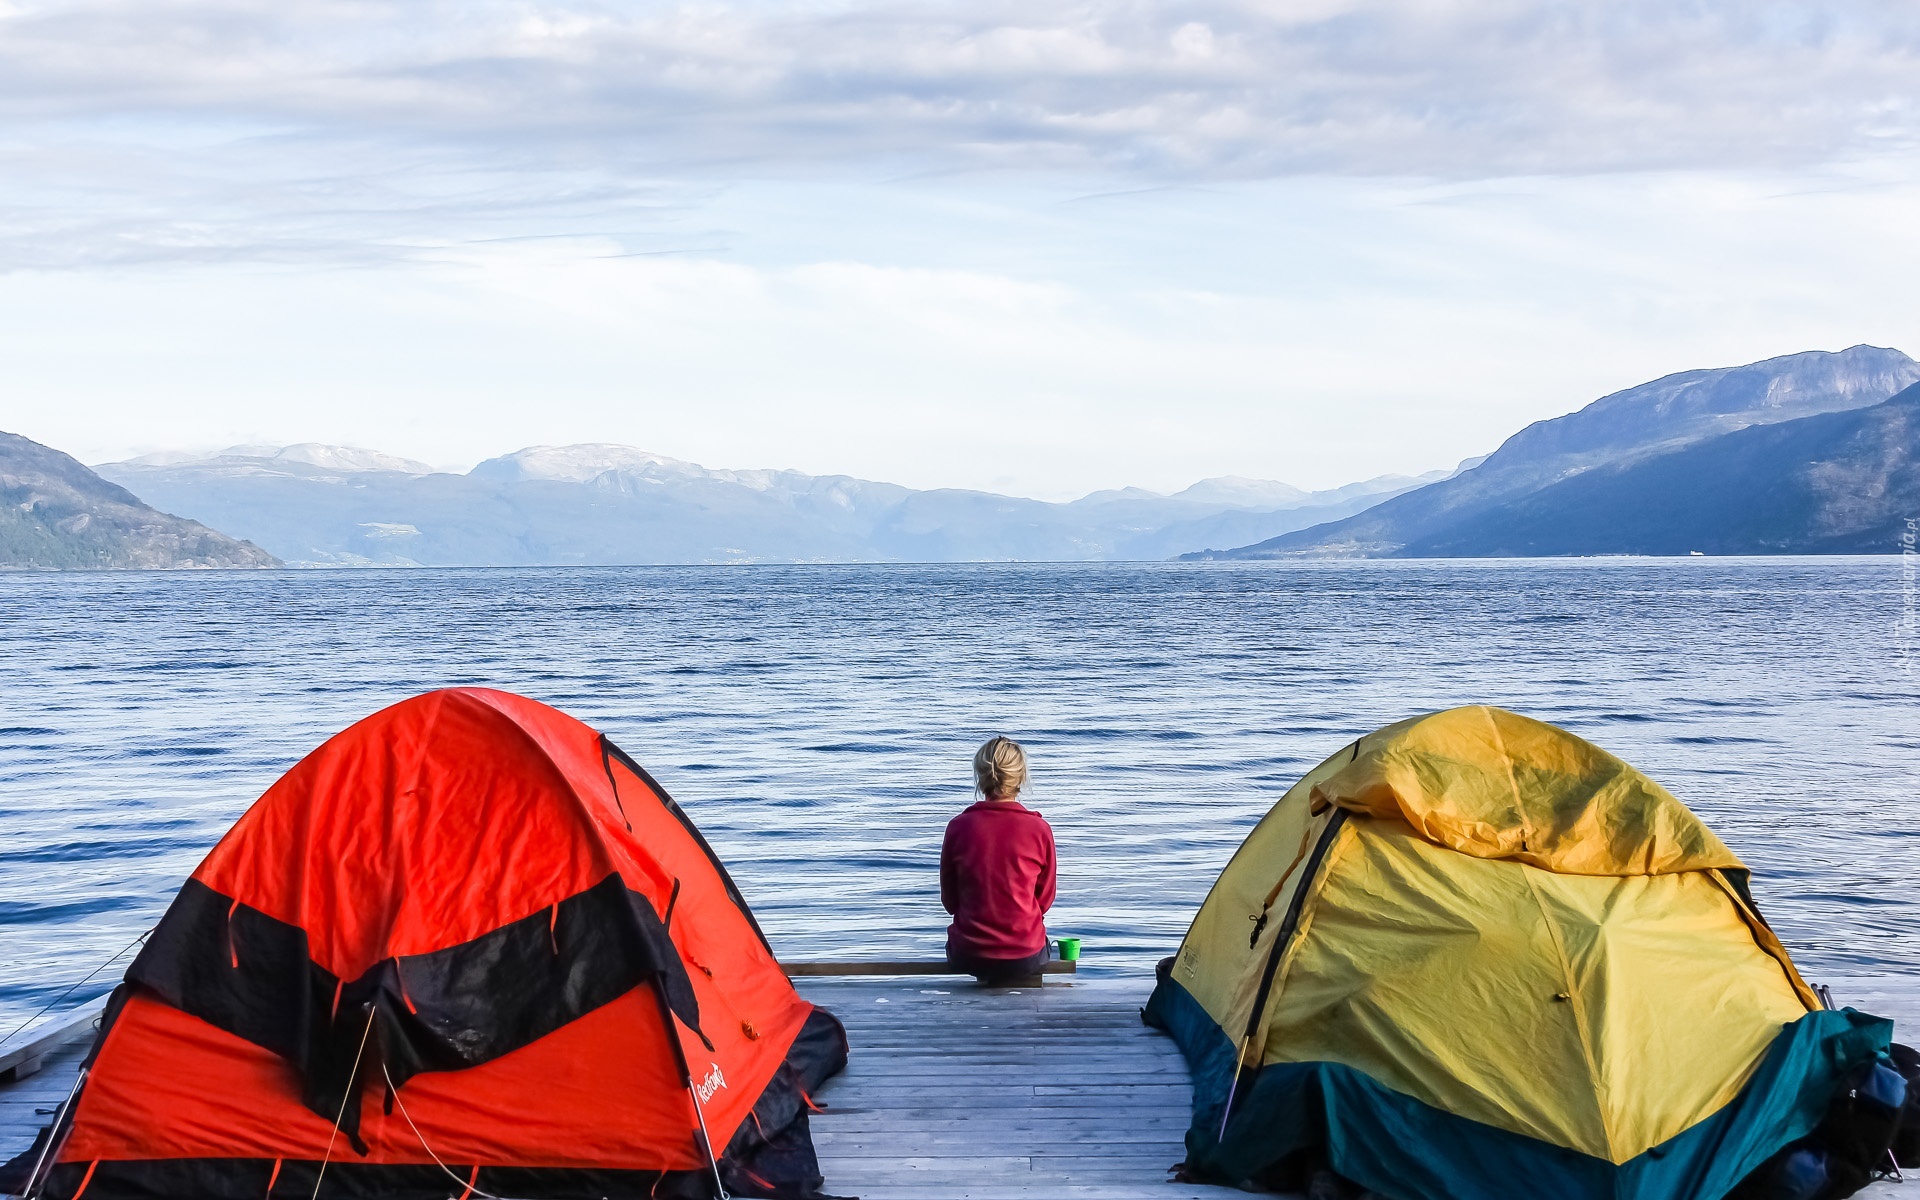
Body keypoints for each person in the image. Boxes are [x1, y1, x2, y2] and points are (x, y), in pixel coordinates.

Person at [941, 736, 1057, 984]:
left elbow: (950, 902)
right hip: (1026, 955)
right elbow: (1044, 902)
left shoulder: (958, 827)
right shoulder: (1039, 829)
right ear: (1021, 777)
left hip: (968, 954)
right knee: (1040, 947)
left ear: (980, 777)